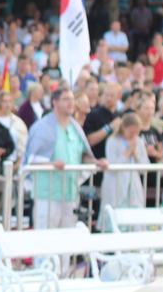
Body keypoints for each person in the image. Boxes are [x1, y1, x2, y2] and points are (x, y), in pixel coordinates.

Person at [25, 87, 107, 229]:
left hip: (70, 193)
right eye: (66, 99)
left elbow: (83, 156)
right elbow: (30, 160)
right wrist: (51, 164)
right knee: (46, 239)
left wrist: (97, 162)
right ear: (55, 103)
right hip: (47, 194)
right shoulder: (42, 127)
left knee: (67, 240)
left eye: (72, 99)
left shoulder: (75, 128)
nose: (70, 103)